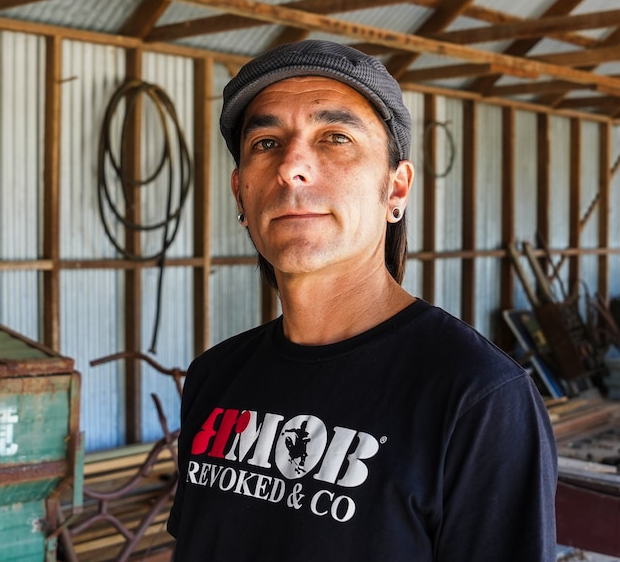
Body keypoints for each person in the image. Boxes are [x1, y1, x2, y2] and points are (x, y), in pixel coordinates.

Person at [167, 39, 557, 561]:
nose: (291, 167)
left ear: (395, 190)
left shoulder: (477, 399)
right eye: (266, 143)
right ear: (241, 193)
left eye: (334, 137)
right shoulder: (214, 377)